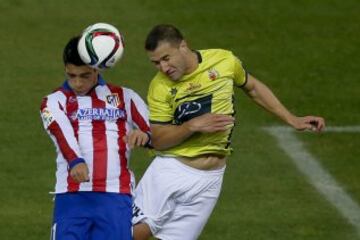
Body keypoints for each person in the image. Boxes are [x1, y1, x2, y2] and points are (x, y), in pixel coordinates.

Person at [132, 24, 325, 240]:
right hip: (172, 170)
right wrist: (191, 126)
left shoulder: (223, 61)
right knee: (133, 234)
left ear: (183, 46)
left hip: (211, 178)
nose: (163, 68)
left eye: (166, 58)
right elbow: (158, 140)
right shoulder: (160, 86)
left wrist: (292, 119)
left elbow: (252, 87)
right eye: (156, 63)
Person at [40, 36, 151, 240]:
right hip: (71, 196)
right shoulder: (54, 101)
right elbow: (60, 131)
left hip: (115, 196)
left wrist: (145, 134)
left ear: (97, 69)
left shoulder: (124, 97)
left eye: (84, 76)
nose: (77, 83)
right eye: (71, 75)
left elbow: (153, 127)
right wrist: (76, 161)